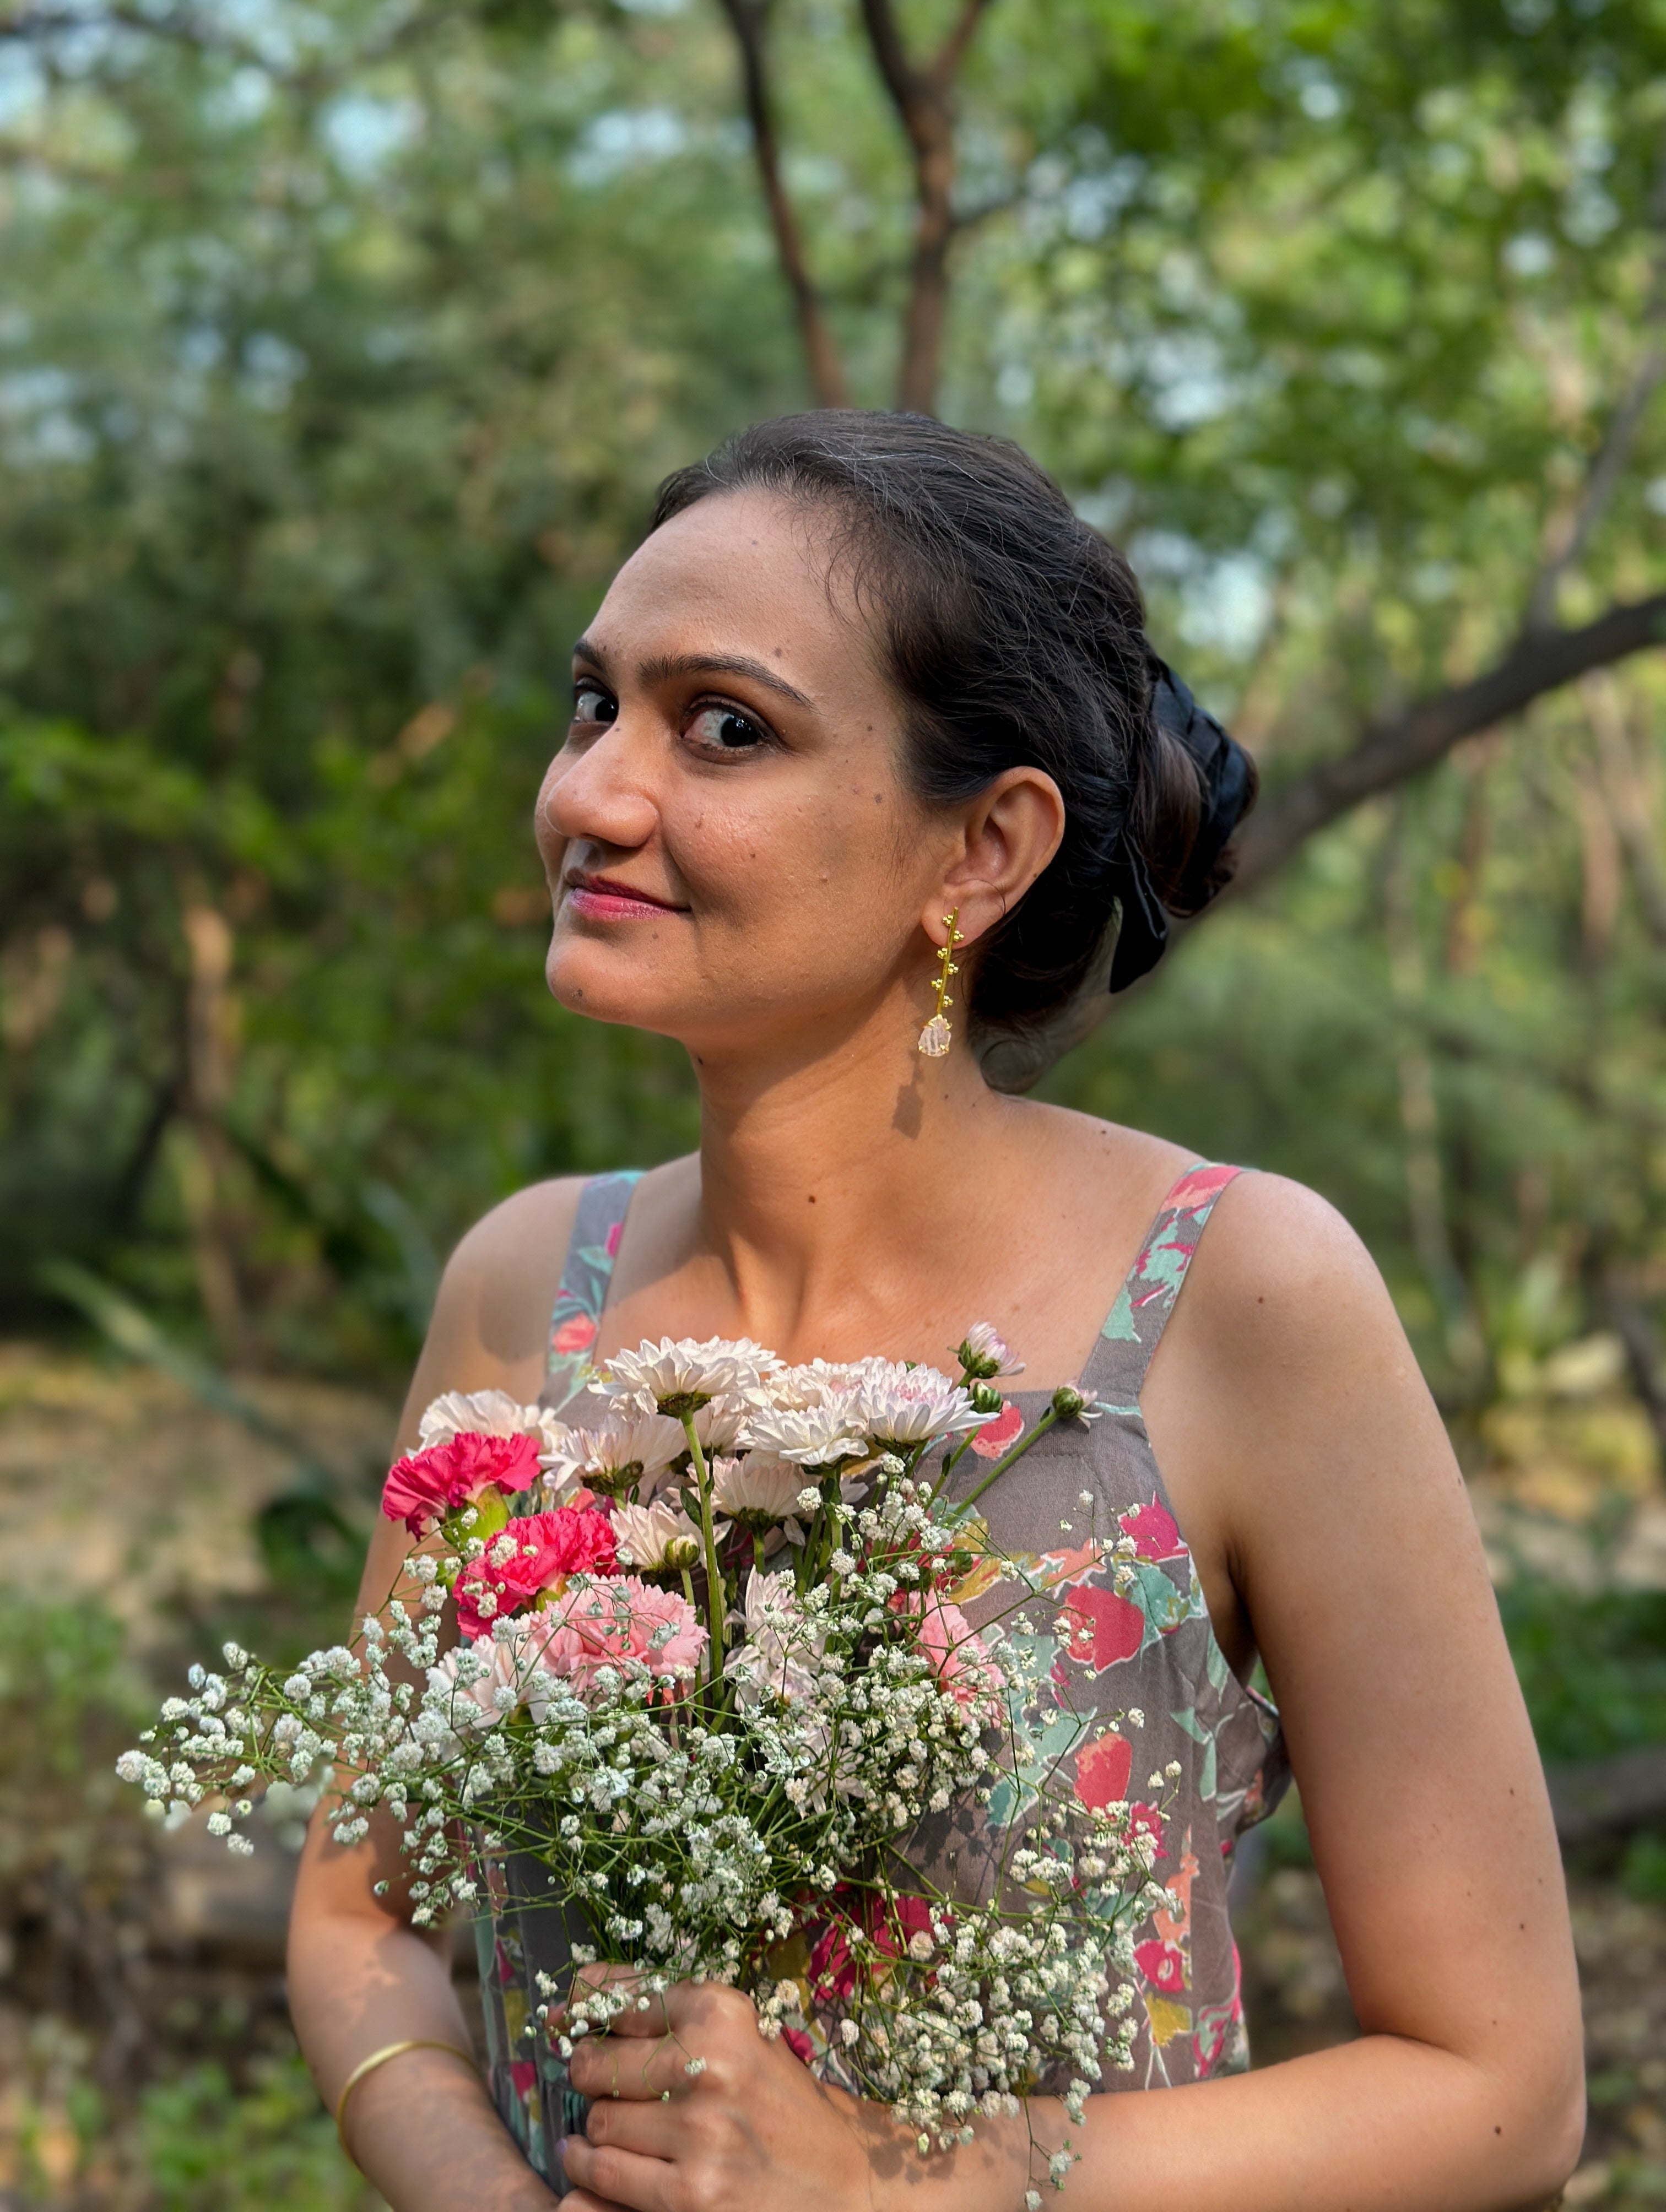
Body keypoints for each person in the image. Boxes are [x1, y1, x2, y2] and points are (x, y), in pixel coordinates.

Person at [287, 410, 1584, 2212]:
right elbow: (362, 1914)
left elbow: (1501, 2089)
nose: (589, 793)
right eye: (597, 704)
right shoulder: (527, 1286)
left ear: (981, 849)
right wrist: (485, 2192)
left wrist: (918, 2180)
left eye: (723, 727)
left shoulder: (1236, 1294)